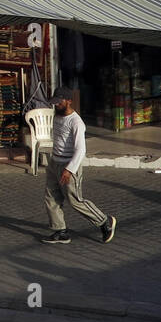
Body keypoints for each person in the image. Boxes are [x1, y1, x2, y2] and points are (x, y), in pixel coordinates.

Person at [42, 87, 117, 245]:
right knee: (51, 197)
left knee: (75, 200)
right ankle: (60, 231)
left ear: (69, 101)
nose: (56, 105)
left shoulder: (76, 122)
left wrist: (69, 169)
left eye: (59, 102)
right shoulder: (57, 116)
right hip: (54, 162)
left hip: (69, 165)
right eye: (55, 102)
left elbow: (81, 149)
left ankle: (104, 222)